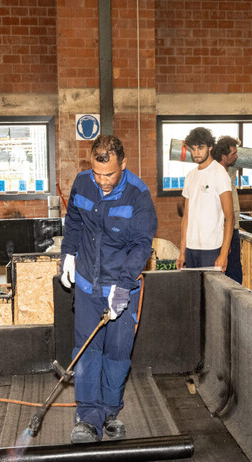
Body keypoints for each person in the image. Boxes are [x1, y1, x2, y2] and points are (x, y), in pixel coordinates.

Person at [59, 135, 157, 443]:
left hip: (121, 285)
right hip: (88, 284)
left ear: (123, 165)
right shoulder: (83, 183)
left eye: (110, 174)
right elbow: (73, 222)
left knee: (117, 354)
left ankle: (110, 412)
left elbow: (142, 246)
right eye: (97, 173)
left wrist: (124, 287)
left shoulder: (138, 195)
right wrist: (68, 256)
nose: (102, 181)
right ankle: (87, 418)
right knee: (88, 350)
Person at [211, 136, 252, 284]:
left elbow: (247, 159)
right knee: (224, 270)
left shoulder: (230, 169)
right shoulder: (213, 173)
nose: (237, 156)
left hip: (233, 228)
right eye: (233, 154)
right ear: (224, 156)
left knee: (234, 271)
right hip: (220, 230)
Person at [175, 127, 233, 271]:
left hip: (212, 249)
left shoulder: (219, 173)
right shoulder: (190, 176)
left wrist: (224, 254)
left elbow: (230, 217)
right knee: (193, 293)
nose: (196, 153)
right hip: (191, 248)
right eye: (193, 149)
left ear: (210, 147)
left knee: (211, 294)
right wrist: (182, 252)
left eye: (200, 148)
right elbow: (186, 217)